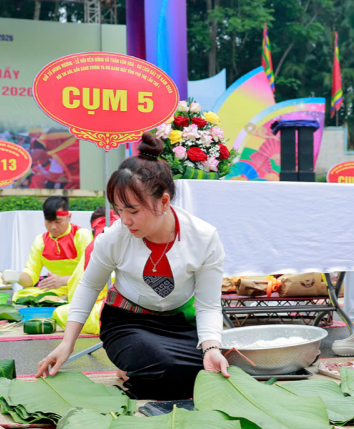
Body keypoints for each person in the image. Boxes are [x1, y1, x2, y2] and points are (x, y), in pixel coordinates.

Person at [37, 133, 229, 400]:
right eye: (118, 210)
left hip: (181, 324)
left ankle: (138, 370)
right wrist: (66, 344)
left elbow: (208, 305)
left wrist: (211, 349)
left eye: (133, 210)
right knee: (167, 367)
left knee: (214, 367)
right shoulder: (113, 238)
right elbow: (89, 286)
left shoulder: (204, 238)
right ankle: (136, 364)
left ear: (163, 201)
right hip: (129, 323)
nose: (125, 220)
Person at [13, 196, 95, 304]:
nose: (53, 227)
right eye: (48, 221)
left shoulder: (81, 236)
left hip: (81, 288)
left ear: (69, 217)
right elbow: (31, 277)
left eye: (58, 221)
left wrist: (63, 280)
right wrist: (14, 277)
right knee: (19, 296)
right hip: (57, 291)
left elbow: (92, 272)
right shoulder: (40, 241)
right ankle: (62, 300)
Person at [53, 207, 116, 335]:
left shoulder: (90, 243)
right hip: (142, 306)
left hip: (112, 310)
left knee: (60, 313)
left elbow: (79, 290)